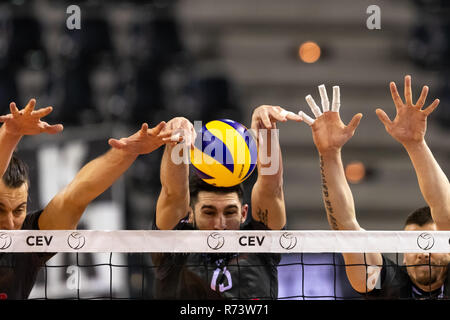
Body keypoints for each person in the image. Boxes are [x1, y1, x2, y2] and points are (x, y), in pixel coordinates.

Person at [0, 99, 178, 299]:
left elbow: (77, 195)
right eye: (0, 209)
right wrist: (10, 134)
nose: (9, 222)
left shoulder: (29, 240)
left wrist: (128, 152)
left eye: (18, 210)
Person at [299, 76, 450, 299]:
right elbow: (348, 231)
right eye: (414, 245)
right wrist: (329, 154)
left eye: (429, 241)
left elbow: (445, 210)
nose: (422, 252)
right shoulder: (383, 283)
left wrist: (415, 144)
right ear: (403, 257)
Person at [148, 108, 302, 299]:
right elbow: (174, 194)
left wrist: (266, 132)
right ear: (190, 213)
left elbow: (272, 189)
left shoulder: (261, 246)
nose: (220, 224)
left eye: (229, 213)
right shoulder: (175, 249)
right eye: (209, 213)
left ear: (244, 213)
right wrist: (177, 142)